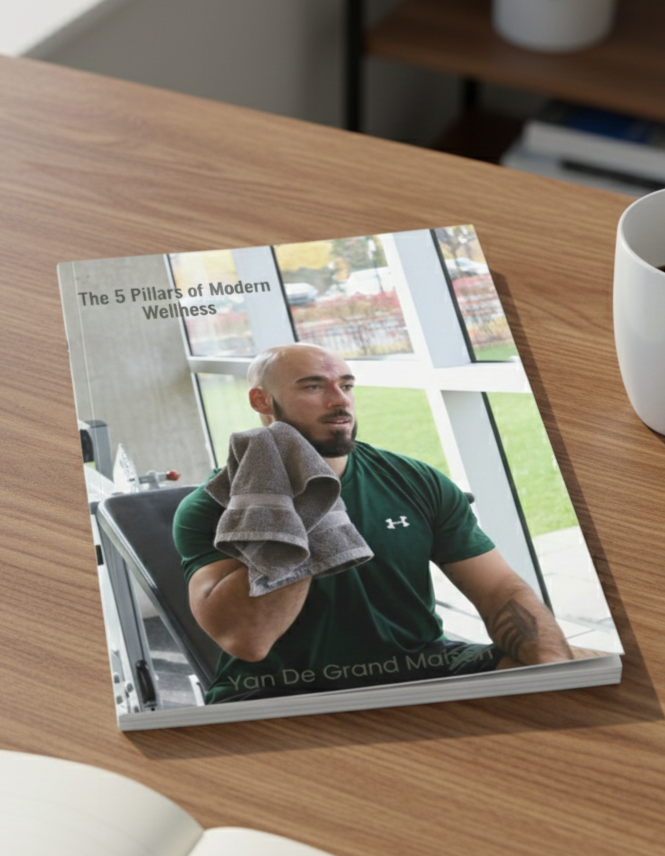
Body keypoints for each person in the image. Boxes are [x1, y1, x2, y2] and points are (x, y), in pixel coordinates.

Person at [173, 343, 577, 703]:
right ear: (262, 400)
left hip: (422, 669)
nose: (340, 402)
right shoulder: (207, 507)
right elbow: (249, 640)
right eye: (313, 387)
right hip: (283, 688)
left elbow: (499, 589)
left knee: (580, 668)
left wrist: (554, 672)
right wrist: (305, 504)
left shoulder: (416, 480)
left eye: (346, 386)